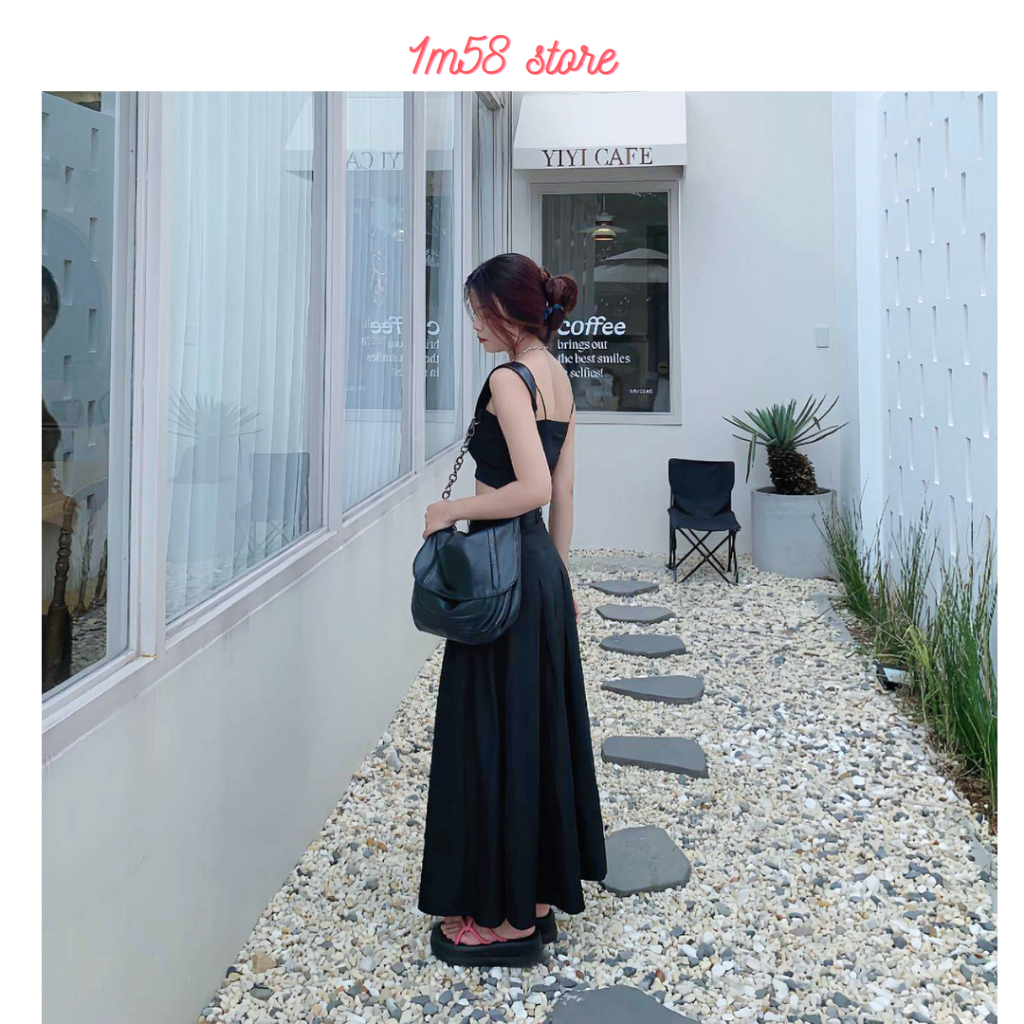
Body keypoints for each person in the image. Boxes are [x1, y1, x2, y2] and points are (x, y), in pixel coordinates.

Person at [417, 253, 607, 968]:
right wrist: (558, 576)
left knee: (493, 734)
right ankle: (532, 901)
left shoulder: (507, 378)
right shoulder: (555, 375)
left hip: (503, 569)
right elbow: (564, 490)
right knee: (530, 733)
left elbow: (532, 487)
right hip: (537, 570)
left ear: (506, 312)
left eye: (477, 311)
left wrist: (447, 510)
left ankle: (504, 923)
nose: (472, 324)